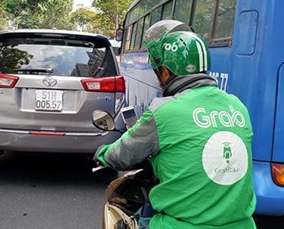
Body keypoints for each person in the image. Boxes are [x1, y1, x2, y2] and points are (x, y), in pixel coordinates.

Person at [94, 22, 256, 229]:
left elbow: (123, 154)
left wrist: (103, 153)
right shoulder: (238, 106)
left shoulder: (165, 111)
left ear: (165, 73)